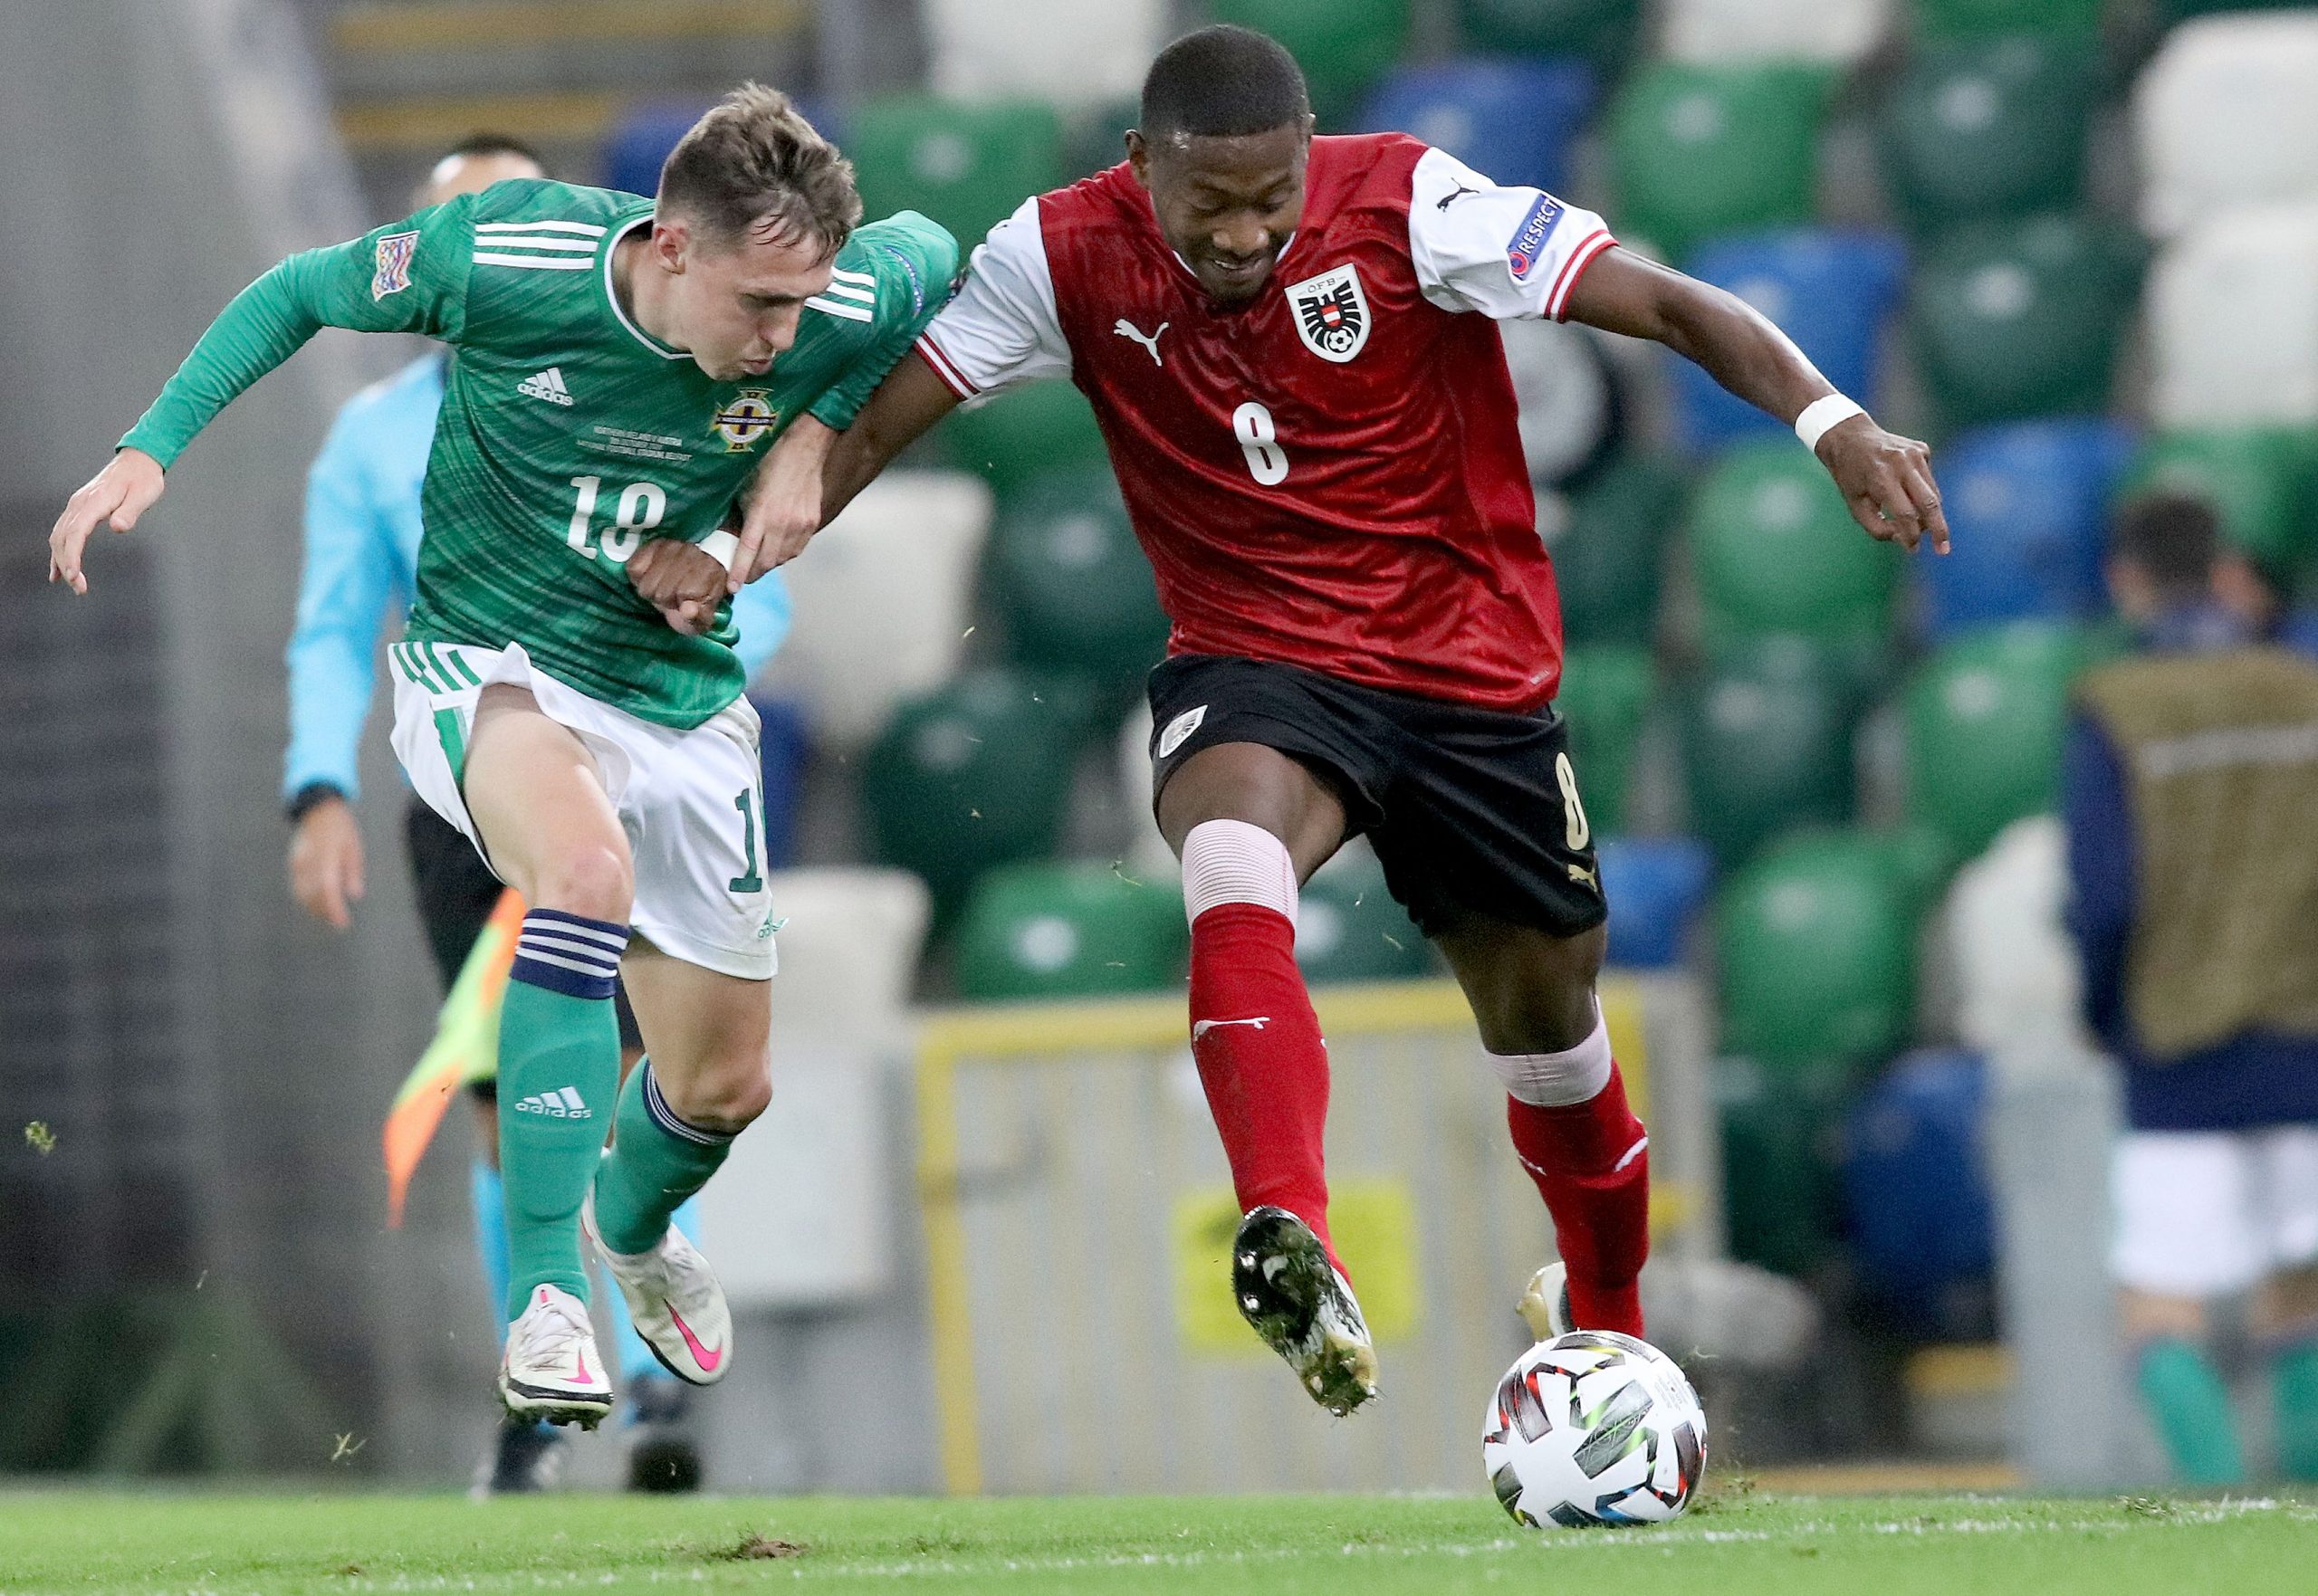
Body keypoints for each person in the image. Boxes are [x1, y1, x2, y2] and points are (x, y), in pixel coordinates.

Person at [647, 27, 1945, 1413]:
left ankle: (1608, 1329)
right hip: (1255, 657)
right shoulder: (1058, 253)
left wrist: (1832, 421)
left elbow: (1672, 304)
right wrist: (724, 557)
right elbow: (872, 426)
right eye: (1212, 204)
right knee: (1228, 864)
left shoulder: (1410, 205)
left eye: (1273, 197)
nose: (1248, 230)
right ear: (1141, 166)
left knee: (1553, 1031)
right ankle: (1291, 1227)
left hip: (1469, 675)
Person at [50, 85, 956, 1430]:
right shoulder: (507, 258)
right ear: (669, 247)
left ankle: (634, 1229)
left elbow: (933, 252)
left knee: (724, 1085)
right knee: (579, 873)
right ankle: (547, 1301)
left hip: (678, 696)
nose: (782, 338)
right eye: (758, 305)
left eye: (801, 308)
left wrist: (812, 440)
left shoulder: (821, 303)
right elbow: (299, 290)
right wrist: (151, 446)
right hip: (495, 663)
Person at [284, 135, 797, 1493]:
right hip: (466, 782)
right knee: (502, 1094)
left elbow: (765, 566)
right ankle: (545, 1379)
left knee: (679, 1074)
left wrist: (715, 589)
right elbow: (338, 623)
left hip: (634, 745)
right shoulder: (374, 435)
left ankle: (630, 1369)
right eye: (463, 227)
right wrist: (316, 781)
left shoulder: (676, 374)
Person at [2064, 491, 2318, 1486]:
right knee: (2302, 1296)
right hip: (2307, 1035)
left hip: (2176, 1043)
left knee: (2159, 1304)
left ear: (2126, 578)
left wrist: (2102, 1013)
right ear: (2223, 570)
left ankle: (2218, 1520)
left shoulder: (2116, 705)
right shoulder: (2303, 690)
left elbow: (2103, 895)